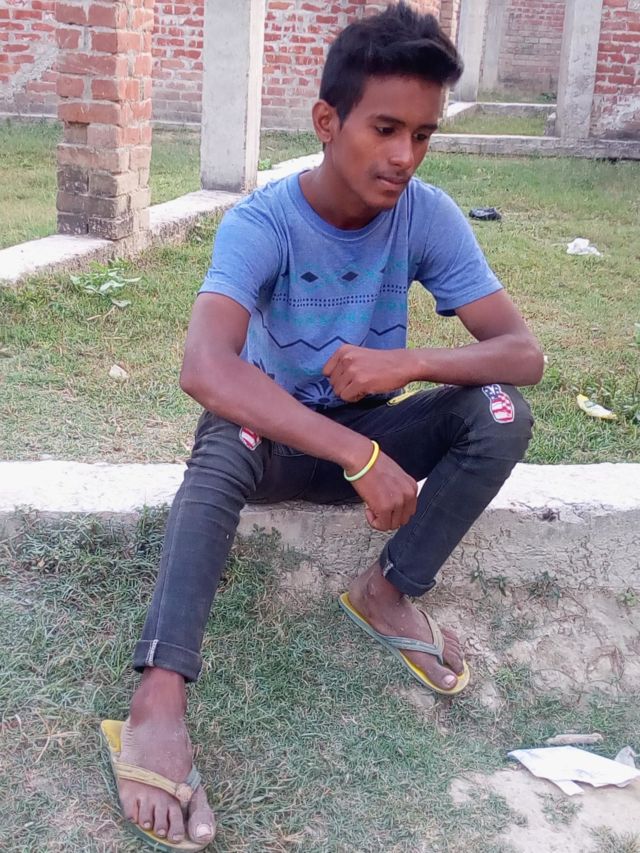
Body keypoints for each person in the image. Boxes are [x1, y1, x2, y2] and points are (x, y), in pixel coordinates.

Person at [101, 3, 543, 849]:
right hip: (278, 444)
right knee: (222, 436)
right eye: (385, 129)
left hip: (374, 435)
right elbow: (205, 366)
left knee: (498, 410)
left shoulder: (426, 214)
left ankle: (388, 590)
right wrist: (356, 451)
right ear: (327, 121)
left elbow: (522, 354)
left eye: (423, 134)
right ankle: (158, 694)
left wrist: (407, 362)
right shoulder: (263, 221)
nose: (404, 155)